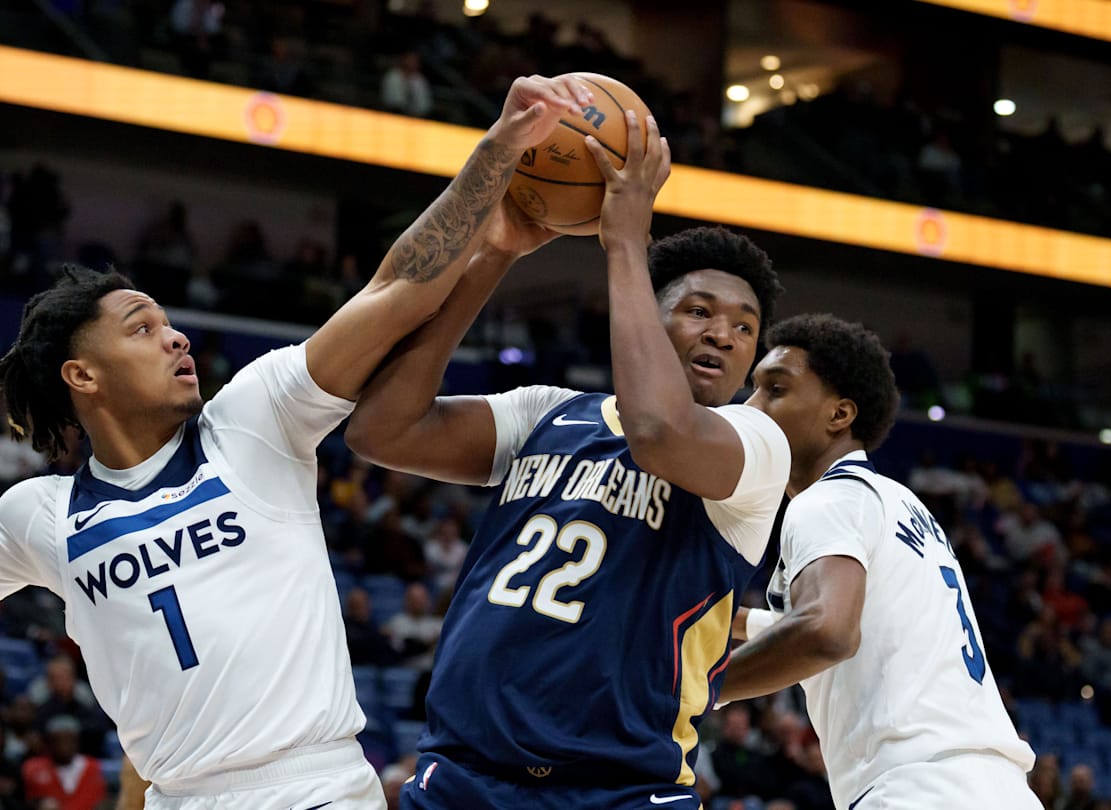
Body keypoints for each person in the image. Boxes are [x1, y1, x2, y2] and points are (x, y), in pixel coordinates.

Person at [0, 75, 594, 809]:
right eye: (143, 328)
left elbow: (392, 292)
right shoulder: (42, 517)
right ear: (82, 377)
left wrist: (490, 163)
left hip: (316, 787)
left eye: (171, 325)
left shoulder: (254, 420)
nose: (175, 340)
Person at [345, 111, 789, 807]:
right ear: (652, 310)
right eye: (698, 311)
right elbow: (383, 431)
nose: (723, 334)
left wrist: (624, 243)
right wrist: (496, 254)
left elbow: (656, 431)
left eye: (744, 327)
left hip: (619, 790)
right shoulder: (549, 413)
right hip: (465, 775)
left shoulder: (756, 445)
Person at [723, 313, 1038, 809]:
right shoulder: (897, 502)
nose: (751, 406)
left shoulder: (826, 501)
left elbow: (826, 632)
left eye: (775, 390)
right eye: (753, 390)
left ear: (839, 415)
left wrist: (697, 690)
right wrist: (731, 619)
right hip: (998, 788)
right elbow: (855, 624)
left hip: (915, 788)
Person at [20, 716, 106, 810]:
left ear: (77, 741)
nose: (63, 746)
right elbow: (27, 800)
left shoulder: (94, 767)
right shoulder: (33, 768)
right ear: (49, 742)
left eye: (68, 740)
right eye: (57, 740)